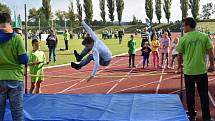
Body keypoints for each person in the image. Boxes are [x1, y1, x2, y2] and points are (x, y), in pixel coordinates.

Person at [177, 17, 214, 121]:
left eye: (184, 25)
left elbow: (179, 56)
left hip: (189, 71)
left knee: (190, 94)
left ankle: (192, 115)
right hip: (201, 70)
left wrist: (179, 66)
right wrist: (212, 65)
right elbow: (210, 52)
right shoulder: (204, 36)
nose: (183, 27)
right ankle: (206, 117)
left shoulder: (184, 38)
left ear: (188, 25)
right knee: (203, 94)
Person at [0, 13, 28, 121]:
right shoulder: (17, 38)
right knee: (17, 113)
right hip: (15, 78)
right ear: (10, 23)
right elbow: (24, 60)